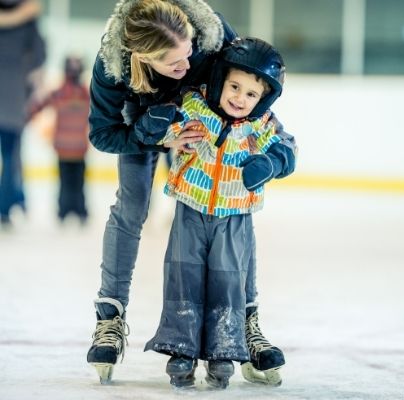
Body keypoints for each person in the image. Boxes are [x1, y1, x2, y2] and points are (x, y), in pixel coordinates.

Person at [86, 0, 296, 386]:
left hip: (204, 117)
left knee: (233, 211)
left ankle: (246, 322)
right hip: (145, 124)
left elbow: (253, 95)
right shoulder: (111, 68)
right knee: (131, 207)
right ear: (142, 58)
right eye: (174, 63)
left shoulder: (211, 36)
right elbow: (102, 134)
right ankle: (110, 318)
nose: (187, 65)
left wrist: (275, 152)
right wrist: (159, 137)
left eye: (189, 54)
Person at [138, 37, 292, 389]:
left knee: (227, 282)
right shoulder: (196, 107)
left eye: (250, 94)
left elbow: (287, 148)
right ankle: (181, 348)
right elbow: (166, 128)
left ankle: (224, 349)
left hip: (235, 217)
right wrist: (156, 123)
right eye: (234, 87)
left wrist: (271, 162)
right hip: (190, 209)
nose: (240, 98)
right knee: (183, 278)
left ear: (263, 99)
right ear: (221, 80)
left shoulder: (261, 125)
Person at [0, 0, 45, 228]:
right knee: (11, 155)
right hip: (13, 96)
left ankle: (14, 200)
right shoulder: (28, 16)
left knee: (11, 155)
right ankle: (8, 206)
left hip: (12, 96)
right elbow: (39, 54)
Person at [29, 56, 90, 224]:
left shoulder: (63, 92)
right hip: (74, 146)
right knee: (76, 182)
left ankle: (66, 211)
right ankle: (76, 211)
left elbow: (36, 106)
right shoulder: (84, 93)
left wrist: (27, 114)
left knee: (69, 181)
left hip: (68, 146)